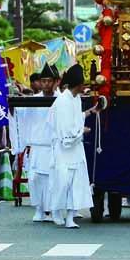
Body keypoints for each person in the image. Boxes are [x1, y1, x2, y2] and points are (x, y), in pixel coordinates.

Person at [48, 64, 100, 228]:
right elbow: (65, 128)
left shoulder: (76, 99)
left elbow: (76, 118)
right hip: (65, 148)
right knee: (62, 182)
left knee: (76, 183)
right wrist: (80, 131)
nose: (85, 87)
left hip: (76, 148)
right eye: (83, 84)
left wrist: (91, 111)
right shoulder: (62, 101)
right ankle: (56, 211)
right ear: (77, 85)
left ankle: (70, 216)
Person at [12, 64, 59, 222]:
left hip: (54, 147)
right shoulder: (33, 100)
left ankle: (52, 210)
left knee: (52, 180)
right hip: (38, 147)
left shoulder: (61, 100)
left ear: (55, 82)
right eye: (43, 81)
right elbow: (20, 116)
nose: (46, 84)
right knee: (35, 179)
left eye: (49, 81)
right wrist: (11, 106)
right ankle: (39, 209)